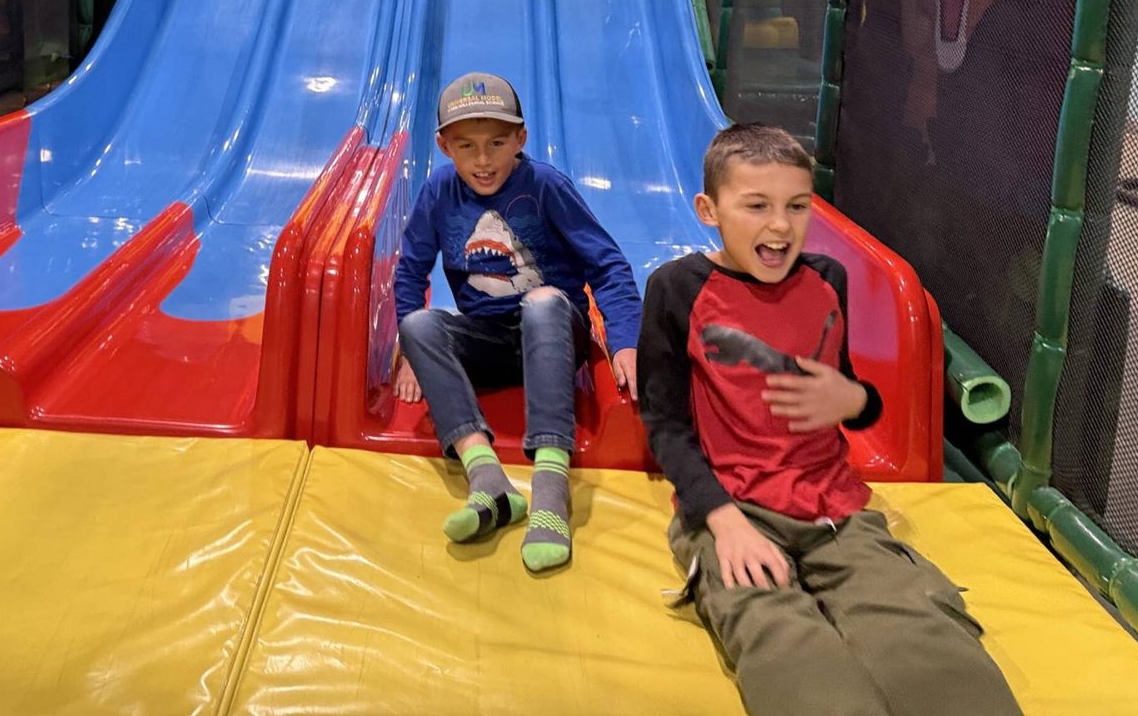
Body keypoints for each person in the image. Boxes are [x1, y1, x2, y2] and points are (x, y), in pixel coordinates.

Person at [638, 123, 1020, 715]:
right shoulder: (678, 289)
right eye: (756, 206)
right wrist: (721, 520)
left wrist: (856, 401)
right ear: (709, 209)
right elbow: (664, 424)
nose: (780, 225)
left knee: (919, 630)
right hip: (733, 507)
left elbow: (856, 401)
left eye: (797, 206)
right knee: (785, 643)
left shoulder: (826, 280)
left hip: (832, 507)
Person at [393, 71, 642, 572]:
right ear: (444, 146)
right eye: (467, 146)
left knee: (544, 302)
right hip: (490, 340)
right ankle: (488, 481)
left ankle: (550, 488)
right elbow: (409, 271)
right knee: (419, 325)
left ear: (520, 139)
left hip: (554, 335)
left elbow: (608, 264)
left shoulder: (546, 186)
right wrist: (409, 354)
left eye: (497, 143)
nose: (483, 160)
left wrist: (625, 341)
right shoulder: (440, 191)